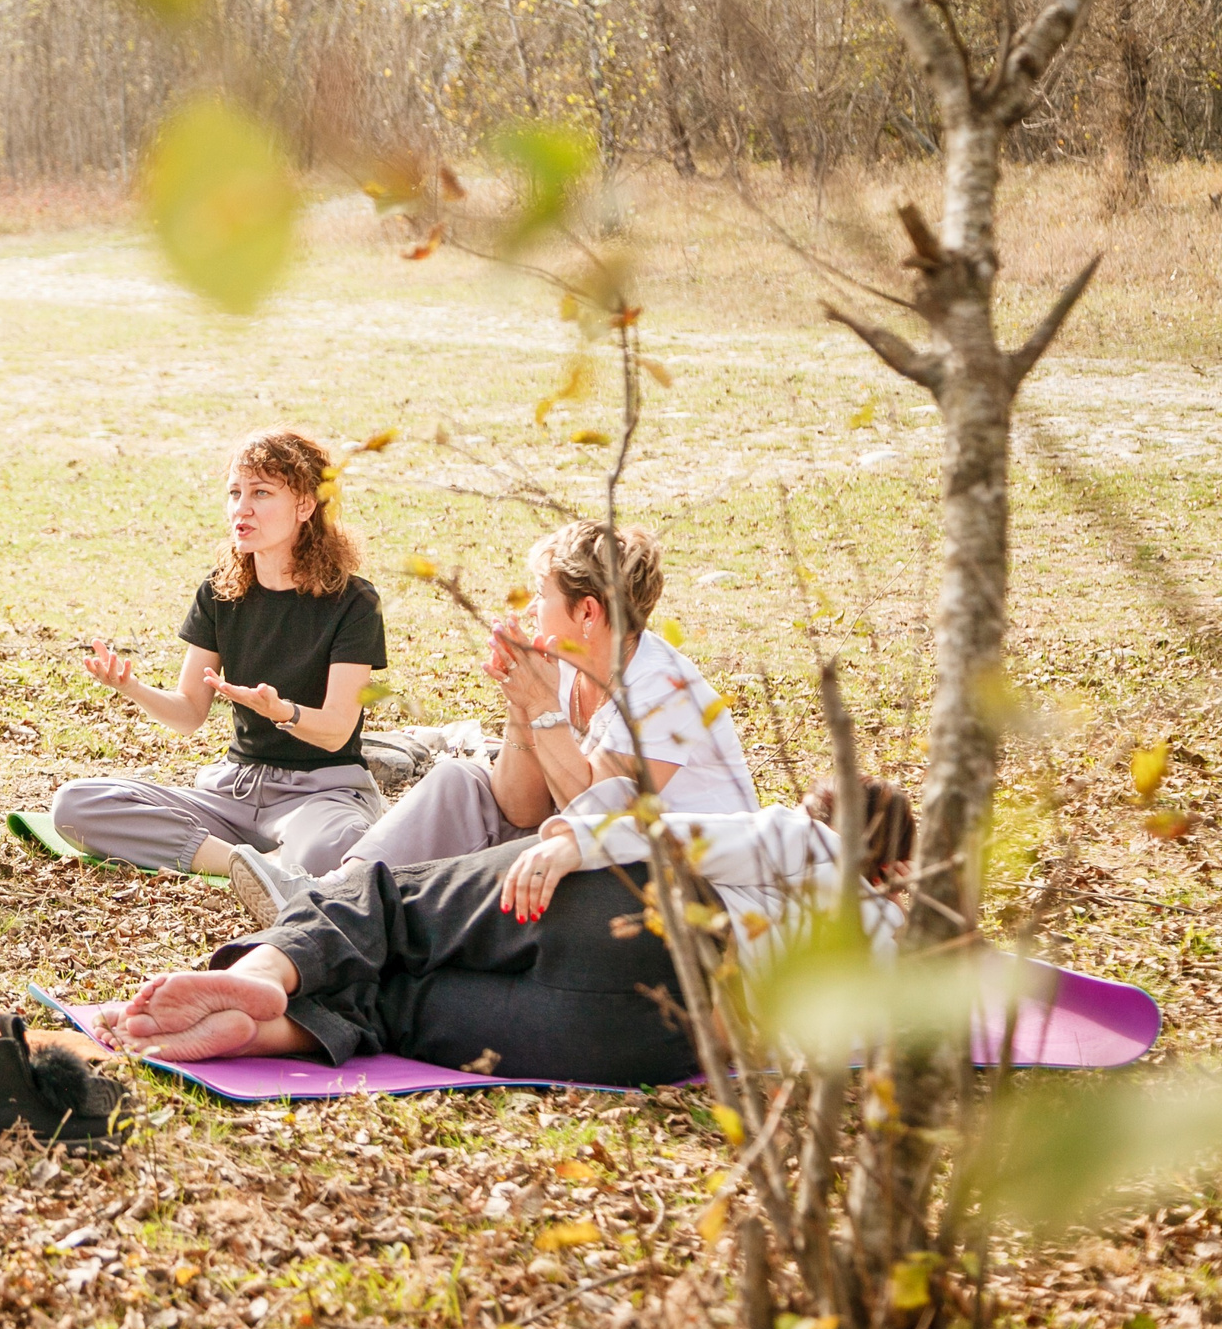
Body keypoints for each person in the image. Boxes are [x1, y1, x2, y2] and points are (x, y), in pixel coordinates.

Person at [109, 779, 916, 1087]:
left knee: (392, 905)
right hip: (658, 1042)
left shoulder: (818, 844)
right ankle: (272, 1032)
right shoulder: (897, 969)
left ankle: (269, 971)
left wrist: (576, 842)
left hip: (636, 913)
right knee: (403, 1016)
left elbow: (692, 837)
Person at [231, 518, 756, 922]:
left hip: (680, 882)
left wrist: (544, 704)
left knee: (526, 846)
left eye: (542, 594)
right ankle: (330, 895)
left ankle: (359, 915)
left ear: (588, 613)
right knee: (462, 781)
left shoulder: (663, 691)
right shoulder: (574, 666)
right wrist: (521, 705)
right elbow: (517, 803)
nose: (530, 608)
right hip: (593, 847)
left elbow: (592, 816)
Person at [48, 428, 390, 878]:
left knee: (338, 848)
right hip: (234, 793)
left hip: (320, 795)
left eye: (261, 492)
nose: (241, 507)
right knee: (76, 805)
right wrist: (131, 687)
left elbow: (336, 730)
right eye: (234, 492)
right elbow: (189, 713)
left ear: (305, 505)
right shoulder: (220, 592)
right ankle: (248, 865)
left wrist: (282, 712)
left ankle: (263, 863)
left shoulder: (353, 603)